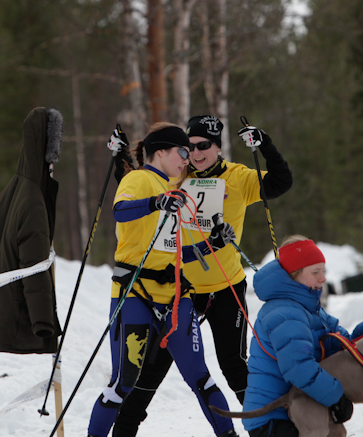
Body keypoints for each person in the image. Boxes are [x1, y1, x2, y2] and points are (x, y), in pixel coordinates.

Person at [112, 115, 293, 436]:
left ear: (218, 147)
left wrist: (264, 144)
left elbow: (280, 182)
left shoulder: (237, 176)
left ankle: (269, 430)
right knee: (151, 369)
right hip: (180, 289)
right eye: (189, 147)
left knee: (235, 366)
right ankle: (124, 430)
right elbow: (141, 190)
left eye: (203, 146)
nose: (195, 153)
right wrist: (120, 159)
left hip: (225, 287)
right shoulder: (177, 175)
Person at [87, 123, 238, 437]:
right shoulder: (138, 179)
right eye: (182, 151)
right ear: (161, 151)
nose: (187, 158)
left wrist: (213, 243)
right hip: (135, 294)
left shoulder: (174, 191)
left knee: (200, 377)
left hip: (175, 298)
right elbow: (120, 211)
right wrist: (155, 203)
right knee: (124, 381)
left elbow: (175, 250)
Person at [243, 237, 363, 437]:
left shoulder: (310, 309)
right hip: (273, 420)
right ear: (294, 275)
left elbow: (343, 343)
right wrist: (335, 397)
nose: (323, 278)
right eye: (315, 272)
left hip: (300, 409)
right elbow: (299, 367)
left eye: (323, 271)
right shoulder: (284, 314)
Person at [0, 107, 63, 354]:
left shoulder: (12, 190)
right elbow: (33, 264)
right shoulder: (33, 201)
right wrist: (43, 321)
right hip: (18, 319)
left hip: (1, 311)